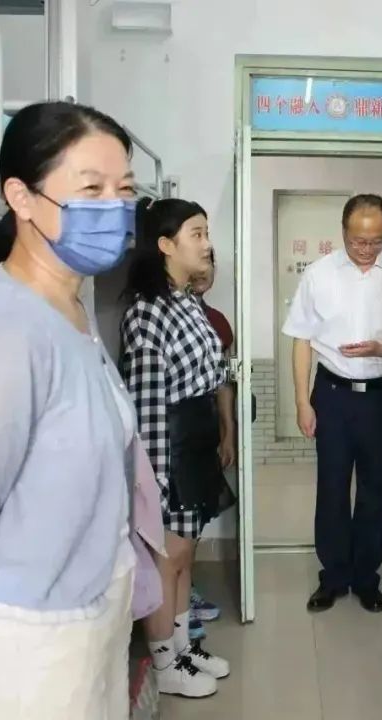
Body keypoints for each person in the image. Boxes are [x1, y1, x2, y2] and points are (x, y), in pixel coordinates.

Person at [0, 101, 142, 719]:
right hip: (29, 638)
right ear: (22, 197)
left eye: (125, 190)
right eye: (91, 189)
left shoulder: (72, 309)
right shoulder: (6, 329)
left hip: (92, 615)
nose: (115, 207)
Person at [121, 198, 233, 698]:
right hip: (171, 444)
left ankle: (184, 647)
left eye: (206, 232)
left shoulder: (185, 301)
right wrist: (156, 482)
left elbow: (212, 369)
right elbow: (147, 407)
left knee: (187, 553)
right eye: (197, 234)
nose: (207, 244)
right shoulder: (147, 314)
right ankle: (164, 662)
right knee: (167, 557)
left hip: (197, 437)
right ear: (166, 244)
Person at [282, 194, 382, 614]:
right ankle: (333, 577)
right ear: (343, 233)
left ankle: (366, 578)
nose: (367, 249)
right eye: (358, 241)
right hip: (332, 396)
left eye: (376, 241)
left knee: (377, 490)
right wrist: (302, 402)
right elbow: (301, 340)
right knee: (332, 488)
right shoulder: (319, 274)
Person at [185, 250, 233, 630]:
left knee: (197, 514)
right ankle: (177, 600)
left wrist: (228, 432)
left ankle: (184, 593)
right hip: (176, 433)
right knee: (177, 521)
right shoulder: (165, 314)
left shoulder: (217, 322)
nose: (204, 271)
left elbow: (224, 382)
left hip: (206, 431)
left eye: (209, 264)